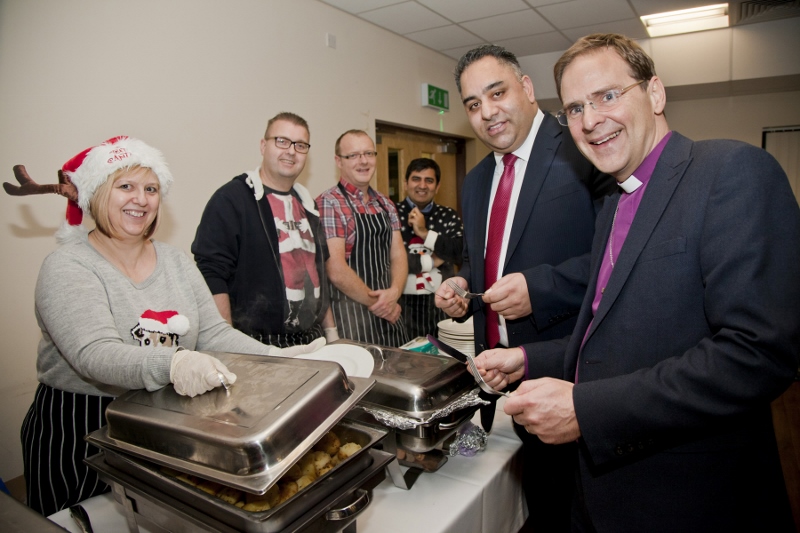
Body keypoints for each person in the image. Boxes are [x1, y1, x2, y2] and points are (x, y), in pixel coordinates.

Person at [477, 34, 800, 532]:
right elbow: (610, 337)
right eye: (576, 107)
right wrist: (526, 358)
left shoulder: (730, 171)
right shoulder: (615, 204)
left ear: (655, 93)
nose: (590, 120)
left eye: (608, 96)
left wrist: (587, 410)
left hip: (691, 498)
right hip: (602, 495)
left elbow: (758, 353)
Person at [7, 137, 320, 516]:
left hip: (161, 421)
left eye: (151, 189)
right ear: (95, 194)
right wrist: (174, 363)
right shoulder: (68, 266)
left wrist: (278, 359)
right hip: (81, 427)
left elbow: (213, 334)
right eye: (125, 187)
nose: (141, 199)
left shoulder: (175, 262)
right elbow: (94, 354)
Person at [435, 44, 615, 530]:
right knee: (532, 502)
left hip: (569, 370)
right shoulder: (475, 181)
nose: (488, 111)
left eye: (498, 93)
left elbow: (618, 257)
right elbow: (481, 260)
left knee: (579, 506)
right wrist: (460, 284)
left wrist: (542, 288)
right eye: (473, 104)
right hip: (496, 372)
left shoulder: (584, 146)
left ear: (528, 88)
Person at [192, 112, 337, 347]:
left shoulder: (307, 204)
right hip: (258, 344)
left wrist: (332, 333)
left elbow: (320, 274)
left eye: (300, 145)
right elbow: (212, 274)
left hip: (312, 340)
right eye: (281, 141)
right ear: (263, 145)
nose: (291, 151)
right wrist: (228, 345)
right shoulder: (231, 199)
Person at [316, 130, 409, 347]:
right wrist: (381, 305)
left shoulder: (385, 204)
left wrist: (394, 292)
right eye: (354, 155)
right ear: (338, 161)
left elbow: (398, 254)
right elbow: (336, 269)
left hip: (391, 316)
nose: (363, 161)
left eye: (368, 153)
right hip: (350, 321)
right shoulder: (328, 203)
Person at [394, 158, 463, 339]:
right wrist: (433, 259)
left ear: (437, 186)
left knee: (443, 362)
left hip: (441, 306)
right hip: (400, 307)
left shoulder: (448, 215)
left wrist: (424, 232)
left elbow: (460, 252)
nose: (422, 185)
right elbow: (389, 260)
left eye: (429, 180)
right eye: (416, 179)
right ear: (405, 183)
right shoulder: (390, 213)